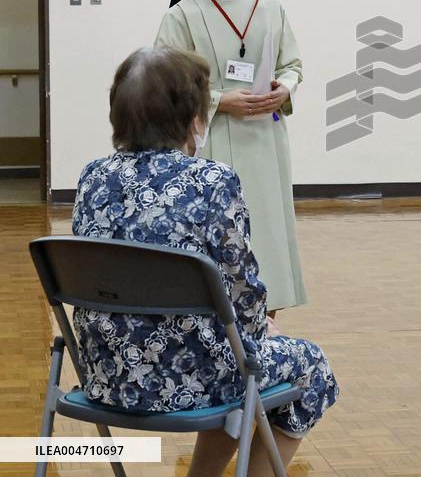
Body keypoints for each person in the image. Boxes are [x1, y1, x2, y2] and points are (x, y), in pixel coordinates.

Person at [72, 47, 337, 477]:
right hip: (194, 378)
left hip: (105, 375)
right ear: (194, 118)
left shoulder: (92, 179)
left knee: (239, 361)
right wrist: (257, 329)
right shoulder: (212, 181)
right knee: (309, 367)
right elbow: (243, 291)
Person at [156, 0, 305, 313]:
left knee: (267, 234)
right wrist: (220, 100)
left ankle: (267, 322)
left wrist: (284, 88)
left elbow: (292, 65)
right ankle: (220, 326)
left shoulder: (270, 4)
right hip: (212, 141)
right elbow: (167, 82)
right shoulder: (183, 14)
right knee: (221, 234)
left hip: (265, 137)